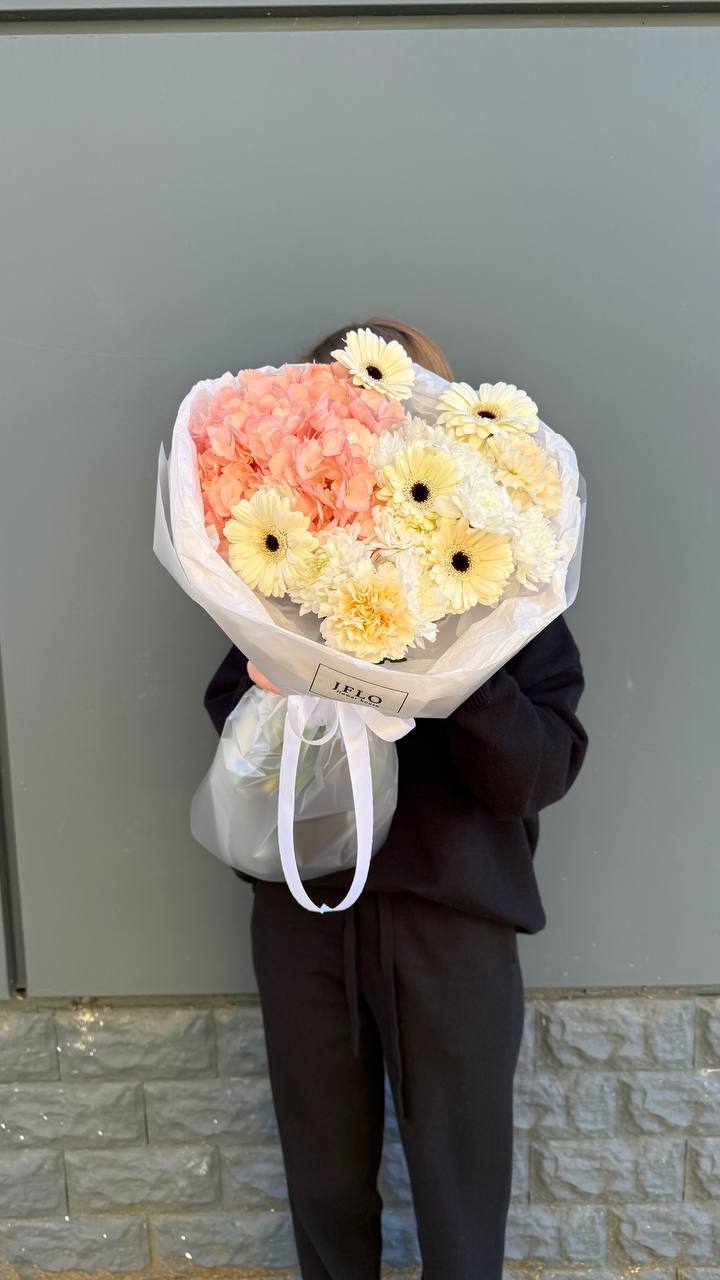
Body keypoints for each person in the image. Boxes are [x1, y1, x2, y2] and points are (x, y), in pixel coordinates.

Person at [203, 317, 588, 1280]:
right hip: (306, 912)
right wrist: (286, 677)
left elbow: (537, 771)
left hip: (453, 917)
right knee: (325, 1188)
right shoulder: (284, 569)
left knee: (462, 1198)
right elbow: (226, 711)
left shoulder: (505, 578)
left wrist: (454, 658)